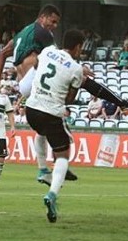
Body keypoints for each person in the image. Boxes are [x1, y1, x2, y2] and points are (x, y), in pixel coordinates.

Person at [0, 4, 128, 109]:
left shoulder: (23, 33)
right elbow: (60, 58)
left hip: (24, 85)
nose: (55, 25)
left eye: (57, 23)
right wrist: (79, 68)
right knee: (81, 79)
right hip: (33, 82)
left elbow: (1, 54)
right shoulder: (42, 32)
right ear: (42, 17)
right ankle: (121, 103)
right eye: (52, 21)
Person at [26, 29, 85, 223]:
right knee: (63, 156)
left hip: (31, 108)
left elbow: (35, 67)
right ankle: (52, 195)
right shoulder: (76, 68)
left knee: (40, 131)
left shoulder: (48, 51)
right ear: (77, 47)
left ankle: (43, 169)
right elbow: (69, 99)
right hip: (51, 112)